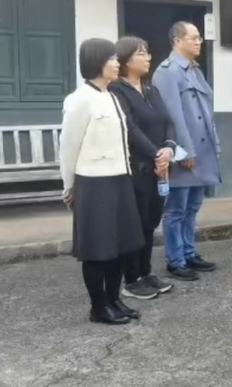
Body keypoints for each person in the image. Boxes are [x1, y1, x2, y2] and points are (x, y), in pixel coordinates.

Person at [60, 38, 144, 325]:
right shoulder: (80, 99)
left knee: (119, 246)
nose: (117, 63)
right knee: (97, 250)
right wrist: (69, 185)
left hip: (119, 179)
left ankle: (113, 299)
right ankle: (99, 307)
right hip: (93, 184)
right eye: (112, 59)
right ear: (97, 62)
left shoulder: (112, 96)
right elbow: (68, 147)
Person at [152, 21, 221, 281]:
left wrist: (215, 143)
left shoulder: (194, 69)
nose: (198, 42)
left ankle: (189, 253)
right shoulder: (167, 71)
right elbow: (173, 115)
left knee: (192, 207)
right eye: (193, 37)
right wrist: (185, 150)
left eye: (199, 37)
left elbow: (206, 112)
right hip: (184, 152)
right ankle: (175, 260)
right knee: (176, 209)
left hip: (202, 149)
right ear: (177, 41)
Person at [110, 36, 176, 299]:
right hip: (136, 167)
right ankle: (131, 279)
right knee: (134, 224)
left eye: (148, 53)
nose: (148, 57)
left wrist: (168, 148)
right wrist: (156, 154)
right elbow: (130, 128)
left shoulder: (150, 88)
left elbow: (167, 120)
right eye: (141, 53)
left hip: (158, 167)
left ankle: (145, 272)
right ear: (125, 60)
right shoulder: (117, 91)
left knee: (150, 221)